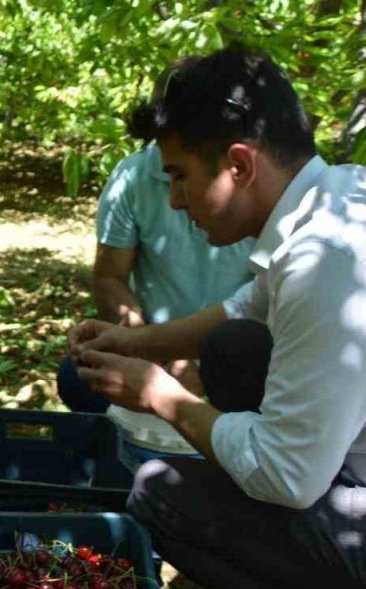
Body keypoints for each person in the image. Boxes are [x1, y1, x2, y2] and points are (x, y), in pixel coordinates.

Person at [70, 46, 366, 589]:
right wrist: (137, 343)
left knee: (159, 493)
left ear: (238, 165)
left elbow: (286, 475)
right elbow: (242, 309)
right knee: (233, 347)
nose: (174, 200)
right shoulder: (343, 199)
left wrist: (159, 395)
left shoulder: (327, 261)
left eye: (180, 176)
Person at [56, 68, 255, 414]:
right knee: (77, 379)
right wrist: (149, 349)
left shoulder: (252, 190)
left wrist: (200, 361)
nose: (177, 200)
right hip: (155, 342)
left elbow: (262, 301)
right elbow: (110, 277)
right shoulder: (132, 177)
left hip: (235, 346)